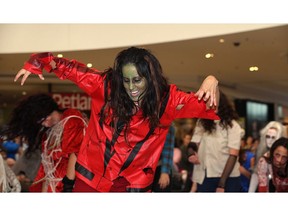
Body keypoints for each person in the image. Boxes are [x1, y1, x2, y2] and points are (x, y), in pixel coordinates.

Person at [14, 47, 220, 192]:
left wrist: (212, 81)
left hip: (134, 186)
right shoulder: (104, 86)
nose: (131, 88)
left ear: (151, 78)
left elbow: (209, 106)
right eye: (126, 80)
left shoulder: (168, 101)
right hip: (91, 181)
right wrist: (36, 61)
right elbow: (67, 68)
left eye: (137, 80)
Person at [2, 94, 88, 192]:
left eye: (40, 120)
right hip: (54, 185)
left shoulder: (72, 120)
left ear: (45, 112)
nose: (42, 124)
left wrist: (68, 185)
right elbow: (47, 168)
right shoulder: (48, 132)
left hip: (69, 183)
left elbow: (74, 153)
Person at [189, 91, 242, 192]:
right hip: (205, 176)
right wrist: (191, 154)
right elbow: (193, 143)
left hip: (228, 178)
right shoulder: (202, 122)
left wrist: (222, 184)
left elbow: (233, 156)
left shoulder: (232, 125)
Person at [248, 121, 287, 192]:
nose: (270, 140)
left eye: (273, 137)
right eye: (268, 137)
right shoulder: (263, 157)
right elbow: (257, 176)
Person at [152, 124, 175, 192]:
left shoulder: (167, 125)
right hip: (140, 169)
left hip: (160, 167)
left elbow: (168, 149)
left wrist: (165, 172)